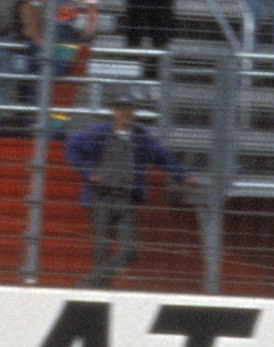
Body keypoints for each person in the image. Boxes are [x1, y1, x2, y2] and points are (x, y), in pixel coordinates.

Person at [62, 91, 192, 287]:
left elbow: (163, 156)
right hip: (100, 197)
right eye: (121, 110)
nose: (124, 114)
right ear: (114, 112)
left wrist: (182, 175)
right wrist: (89, 172)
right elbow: (72, 148)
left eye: (128, 110)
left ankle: (90, 283)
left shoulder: (141, 137)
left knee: (130, 249)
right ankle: (98, 289)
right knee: (101, 251)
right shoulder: (99, 133)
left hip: (125, 198)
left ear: (133, 113)